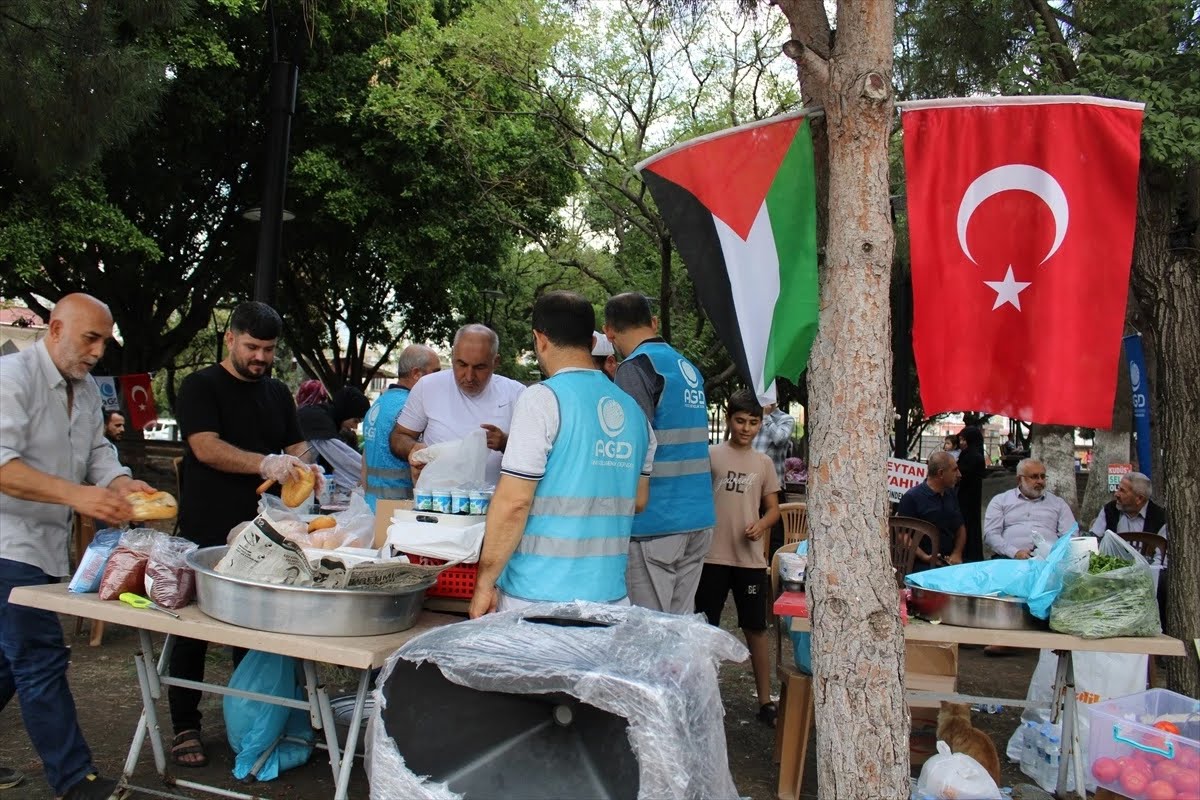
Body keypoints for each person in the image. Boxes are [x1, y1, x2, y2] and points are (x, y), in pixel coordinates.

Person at [0, 293, 157, 800]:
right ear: (55, 328)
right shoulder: (11, 378)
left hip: (44, 543)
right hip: (6, 541)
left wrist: (121, 483)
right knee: (39, 653)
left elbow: (97, 453)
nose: (96, 351)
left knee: (11, 658)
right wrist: (80, 495)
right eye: (89, 338)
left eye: (104, 342)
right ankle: (75, 780)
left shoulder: (87, 389)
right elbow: (2, 467)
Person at [169, 301, 320, 768]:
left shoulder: (276, 391)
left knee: (253, 627)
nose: (259, 357)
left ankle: (250, 715)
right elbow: (205, 447)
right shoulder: (200, 386)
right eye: (252, 347)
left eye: (268, 349)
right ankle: (184, 725)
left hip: (264, 531)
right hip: (206, 526)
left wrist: (307, 464)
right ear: (230, 338)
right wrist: (262, 462)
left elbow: (295, 441)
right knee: (192, 630)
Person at [469, 291, 652, 616]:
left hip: (538, 599)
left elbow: (514, 503)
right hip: (609, 600)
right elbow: (638, 500)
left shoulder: (541, 400)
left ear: (540, 339)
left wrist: (485, 583)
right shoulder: (634, 413)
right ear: (593, 341)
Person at [604, 292, 715, 614]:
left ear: (608, 331)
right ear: (653, 322)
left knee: (649, 632)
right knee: (678, 628)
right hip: (698, 518)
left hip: (655, 523)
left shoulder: (636, 368)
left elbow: (632, 446)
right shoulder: (685, 366)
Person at [696, 390, 780, 726]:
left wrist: (761, 525)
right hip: (711, 557)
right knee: (704, 629)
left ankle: (765, 701)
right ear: (729, 419)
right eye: (740, 420)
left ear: (760, 424)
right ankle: (700, 696)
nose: (746, 428)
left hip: (749, 561)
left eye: (753, 422)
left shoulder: (763, 463)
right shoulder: (712, 456)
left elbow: (774, 509)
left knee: (756, 628)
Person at [390, 324, 525, 487]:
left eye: (479, 367)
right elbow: (399, 437)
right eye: (461, 364)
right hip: (437, 502)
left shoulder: (516, 393)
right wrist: (412, 448)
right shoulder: (428, 387)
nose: (469, 376)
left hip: (496, 505)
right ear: (453, 356)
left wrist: (505, 443)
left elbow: (535, 454)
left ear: (495, 362)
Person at [360, 345, 441, 510]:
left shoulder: (379, 404)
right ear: (416, 374)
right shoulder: (411, 410)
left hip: (371, 505)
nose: (440, 379)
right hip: (399, 509)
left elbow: (365, 462)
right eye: (436, 372)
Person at [983, 458, 1076, 560]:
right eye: (1034, 477)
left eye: (1043, 476)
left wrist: (1055, 554)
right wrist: (1014, 552)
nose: (1040, 481)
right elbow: (991, 535)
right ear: (1019, 480)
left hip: (1049, 561)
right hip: (1008, 559)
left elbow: (1071, 535)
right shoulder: (1000, 501)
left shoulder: (1058, 504)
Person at [895, 451, 966, 569]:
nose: (959, 474)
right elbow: (903, 535)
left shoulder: (951, 494)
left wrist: (957, 553)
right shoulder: (912, 497)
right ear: (941, 473)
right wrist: (925, 557)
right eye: (954, 470)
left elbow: (960, 527)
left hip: (949, 562)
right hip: (920, 565)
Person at [297, 385, 370, 493]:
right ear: (347, 412)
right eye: (355, 420)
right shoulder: (319, 421)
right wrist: (373, 476)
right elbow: (344, 458)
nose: (355, 427)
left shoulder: (325, 417)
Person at [751, 402, 795, 557]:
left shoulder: (786, 419)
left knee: (776, 534)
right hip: (751, 484)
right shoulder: (753, 418)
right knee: (751, 528)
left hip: (774, 485)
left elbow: (779, 439)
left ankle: (774, 573)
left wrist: (766, 416)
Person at [1089, 472, 1167, 539]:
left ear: (1139, 499)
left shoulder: (1160, 518)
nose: (1116, 494)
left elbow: (1160, 555)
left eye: (1122, 491)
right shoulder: (1109, 510)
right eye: (1118, 488)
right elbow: (1094, 540)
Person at [955, 426, 987, 563]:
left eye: (963, 439)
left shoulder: (973, 457)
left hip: (968, 498)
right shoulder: (969, 455)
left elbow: (963, 475)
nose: (961, 443)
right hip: (966, 497)